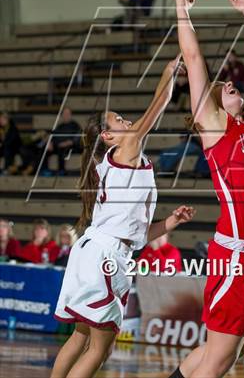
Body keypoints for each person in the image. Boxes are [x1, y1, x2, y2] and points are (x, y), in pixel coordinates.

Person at [51, 56, 195, 378]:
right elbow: (160, 103)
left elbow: (137, 234)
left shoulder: (119, 161)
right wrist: (169, 71)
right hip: (104, 254)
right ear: (107, 136)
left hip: (100, 251)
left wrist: (171, 222)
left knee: (82, 336)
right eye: (118, 119)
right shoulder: (126, 148)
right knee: (100, 347)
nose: (126, 121)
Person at [170, 0, 244, 378]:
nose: (231, 85)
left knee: (231, 352)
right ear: (212, 106)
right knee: (219, 360)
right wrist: (182, 11)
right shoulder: (216, 129)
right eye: (225, 88)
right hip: (236, 256)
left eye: (234, 85)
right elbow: (195, 60)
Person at [48, 107, 82, 175]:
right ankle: (44, 170)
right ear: (62, 115)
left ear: (70, 115)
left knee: (62, 149)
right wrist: (50, 142)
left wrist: (68, 143)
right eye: (64, 114)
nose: (66, 115)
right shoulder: (59, 126)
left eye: (67, 114)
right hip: (58, 145)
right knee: (44, 149)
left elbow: (77, 137)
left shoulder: (75, 125)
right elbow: (53, 136)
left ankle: (62, 171)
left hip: (71, 147)